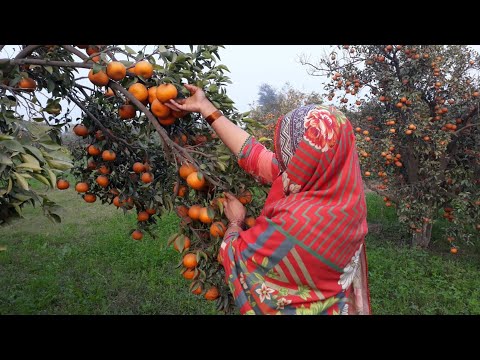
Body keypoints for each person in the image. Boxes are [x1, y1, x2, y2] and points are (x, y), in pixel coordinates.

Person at [167, 84, 371, 315]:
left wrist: (235, 223)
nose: (283, 156)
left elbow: (236, 256)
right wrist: (205, 107)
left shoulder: (296, 225)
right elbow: (253, 155)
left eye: (289, 146)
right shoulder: (347, 199)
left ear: (304, 153)